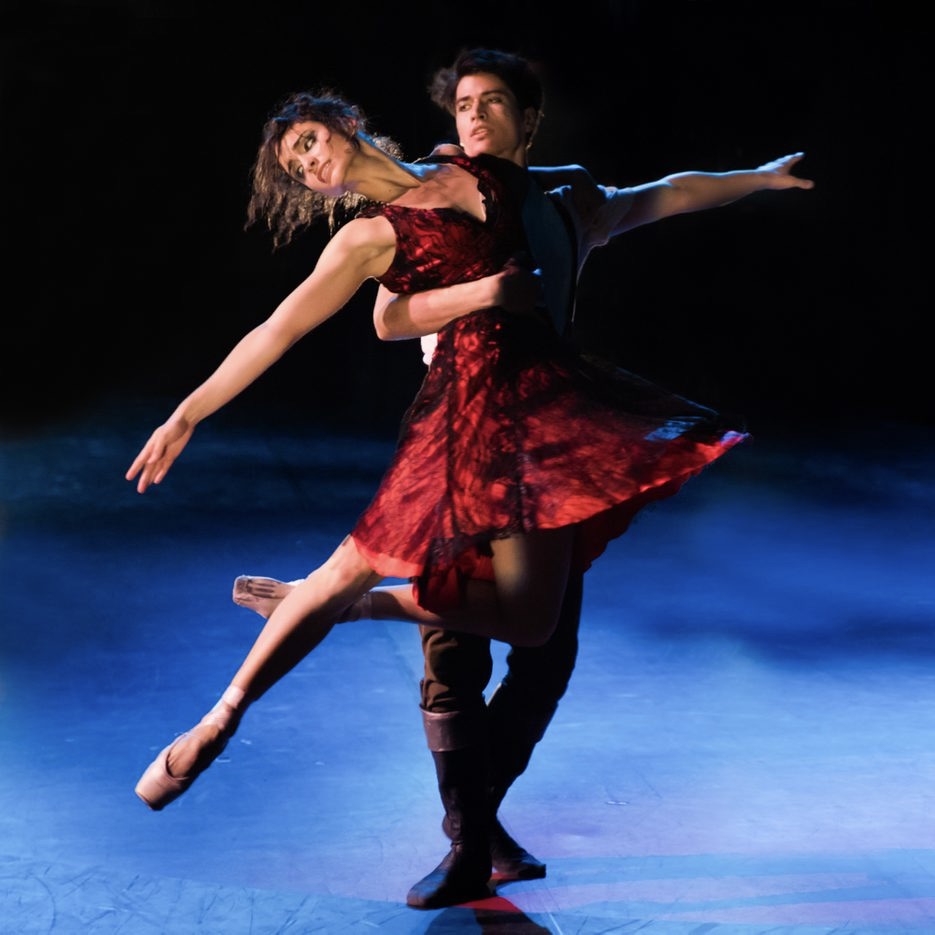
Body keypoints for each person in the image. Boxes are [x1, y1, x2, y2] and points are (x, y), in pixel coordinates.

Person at [128, 82, 810, 907]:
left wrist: (756, 178)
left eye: (309, 139)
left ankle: (440, 759)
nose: (309, 161)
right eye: (296, 164)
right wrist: (187, 413)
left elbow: (651, 195)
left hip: (548, 422)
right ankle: (230, 719)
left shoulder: (479, 172)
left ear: (346, 122)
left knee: (538, 635)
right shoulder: (367, 236)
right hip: (461, 431)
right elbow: (297, 327)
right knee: (445, 651)